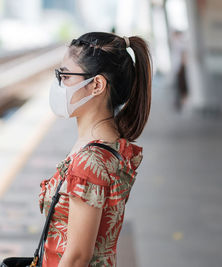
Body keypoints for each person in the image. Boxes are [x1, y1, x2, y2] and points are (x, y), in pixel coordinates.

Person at [39, 32, 152, 266]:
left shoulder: (88, 162)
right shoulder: (112, 146)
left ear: (97, 85)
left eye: (66, 76)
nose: (59, 84)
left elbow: (77, 257)